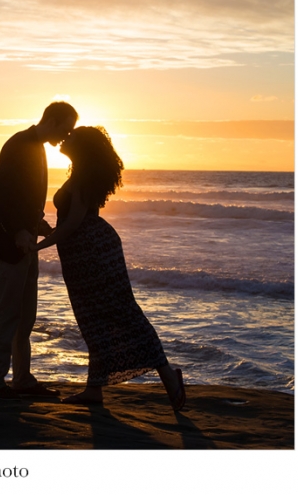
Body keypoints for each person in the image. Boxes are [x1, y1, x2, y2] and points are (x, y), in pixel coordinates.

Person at [33, 126, 186, 410]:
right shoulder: (79, 175)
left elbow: (74, 223)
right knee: (92, 318)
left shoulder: (82, 179)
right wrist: (47, 233)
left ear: (82, 147)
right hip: (81, 253)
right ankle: (94, 389)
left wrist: (40, 246)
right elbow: (70, 223)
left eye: (72, 136)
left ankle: (168, 376)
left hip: (93, 252)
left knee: (122, 313)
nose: (66, 138)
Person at [0, 101, 78, 399]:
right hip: (10, 243)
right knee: (8, 313)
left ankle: (22, 379)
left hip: (25, 240)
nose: (66, 136)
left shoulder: (37, 147)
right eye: (66, 129)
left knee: (26, 315)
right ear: (53, 120)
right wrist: (19, 229)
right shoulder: (20, 144)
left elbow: (23, 197)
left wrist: (36, 223)